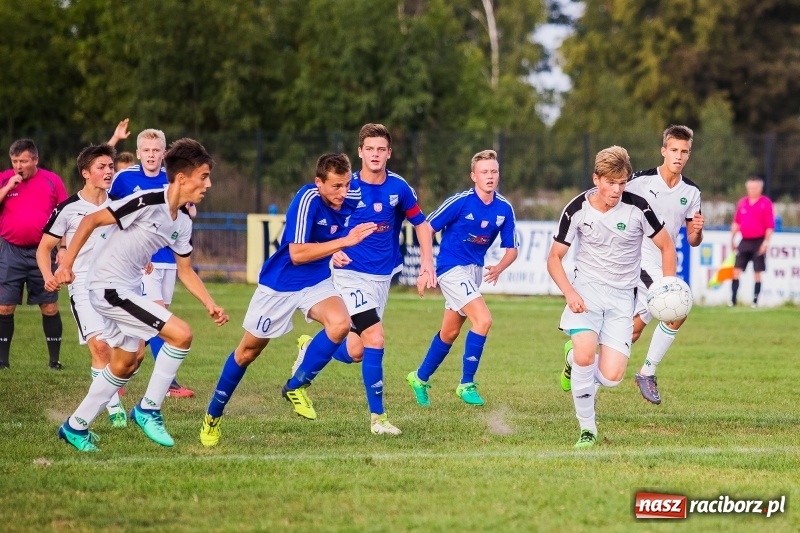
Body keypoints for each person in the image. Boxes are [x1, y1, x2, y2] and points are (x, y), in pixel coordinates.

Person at [51, 138, 228, 452]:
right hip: (108, 288)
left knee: (126, 363)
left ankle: (74, 426)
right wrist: (65, 264)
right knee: (181, 335)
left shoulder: (184, 222)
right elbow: (92, 220)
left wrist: (210, 303)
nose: (209, 184)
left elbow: (185, 271)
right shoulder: (148, 201)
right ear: (182, 178)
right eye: (204, 176)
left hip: (127, 289)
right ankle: (148, 408)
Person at [198, 154, 375, 447]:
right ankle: (213, 416)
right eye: (335, 187)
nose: (342, 193)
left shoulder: (352, 195)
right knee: (246, 353)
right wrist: (343, 243)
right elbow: (296, 253)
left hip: (316, 280)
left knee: (341, 324)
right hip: (280, 284)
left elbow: (334, 231)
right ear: (318, 183)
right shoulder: (307, 199)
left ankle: (296, 385)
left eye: (346, 185)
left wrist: (335, 250)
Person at [289, 123, 437, 435]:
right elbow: (322, 228)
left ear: (389, 153)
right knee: (377, 338)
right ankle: (378, 419)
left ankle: (311, 347)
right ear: (359, 152)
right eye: (369, 149)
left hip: (381, 279)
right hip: (348, 275)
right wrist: (332, 253)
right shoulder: (346, 187)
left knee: (357, 351)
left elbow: (421, 225)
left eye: (381, 149)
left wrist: (427, 263)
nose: (375, 154)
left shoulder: (399, 188)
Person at [548, 146, 676, 448]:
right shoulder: (576, 208)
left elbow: (666, 247)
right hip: (586, 292)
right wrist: (569, 293)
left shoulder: (639, 207)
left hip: (622, 299)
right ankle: (587, 430)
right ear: (597, 179)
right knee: (584, 355)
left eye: (622, 182)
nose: (617, 189)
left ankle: (571, 359)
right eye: (611, 183)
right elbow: (554, 258)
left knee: (612, 376)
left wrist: (666, 285)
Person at [406, 149, 518, 408]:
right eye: (484, 172)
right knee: (483, 320)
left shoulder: (504, 207)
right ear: (473, 176)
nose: (490, 176)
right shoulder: (460, 201)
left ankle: (419, 378)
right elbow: (425, 227)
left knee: (450, 331)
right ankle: (466, 383)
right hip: (451, 268)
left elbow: (512, 249)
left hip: (474, 272)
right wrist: (427, 266)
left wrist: (499, 267)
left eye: (494, 171)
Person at [37, 144, 129, 428]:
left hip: (115, 284)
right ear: (86, 173)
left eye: (111, 166)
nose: (109, 171)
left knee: (120, 351)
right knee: (100, 348)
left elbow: (128, 238)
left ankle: (106, 398)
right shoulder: (67, 208)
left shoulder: (118, 203)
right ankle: (114, 408)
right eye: (101, 167)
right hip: (83, 286)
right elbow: (44, 249)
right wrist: (48, 276)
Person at [619, 125, 703, 405]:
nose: (679, 156)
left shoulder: (691, 192)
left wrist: (698, 230)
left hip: (665, 261)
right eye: (674, 150)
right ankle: (647, 373)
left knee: (633, 330)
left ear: (689, 155)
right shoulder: (639, 181)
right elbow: (611, 199)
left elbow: (692, 239)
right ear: (663, 151)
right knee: (678, 309)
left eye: (684, 152)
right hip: (639, 257)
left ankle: (582, 362)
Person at [108, 126, 195, 398]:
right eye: (146, 150)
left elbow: (187, 209)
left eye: (156, 150)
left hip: (168, 259)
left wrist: (189, 208)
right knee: (160, 321)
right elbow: (108, 216)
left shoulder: (172, 179)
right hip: (141, 262)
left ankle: (117, 375)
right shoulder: (124, 179)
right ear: (137, 153)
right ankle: (168, 385)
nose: (151, 155)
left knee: (148, 329)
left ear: (164, 153)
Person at [0, 139, 68, 370]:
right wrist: (8, 187)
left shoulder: (52, 181)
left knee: (49, 306)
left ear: (35, 160)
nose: (19, 166)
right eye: (15, 161)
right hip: (10, 250)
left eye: (24, 161)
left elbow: (64, 218)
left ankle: (54, 361)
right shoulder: (4, 179)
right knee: (4, 306)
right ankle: (3, 361)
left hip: (43, 251)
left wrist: (63, 248)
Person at [730, 176, 775, 307]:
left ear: (760, 188)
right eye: (750, 188)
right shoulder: (743, 202)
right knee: (736, 270)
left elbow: (770, 226)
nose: (752, 190)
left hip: (759, 240)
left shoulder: (765, 203)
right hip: (744, 241)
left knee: (757, 272)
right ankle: (733, 300)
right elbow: (736, 223)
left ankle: (755, 301)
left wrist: (765, 243)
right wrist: (732, 239)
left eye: (755, 188)